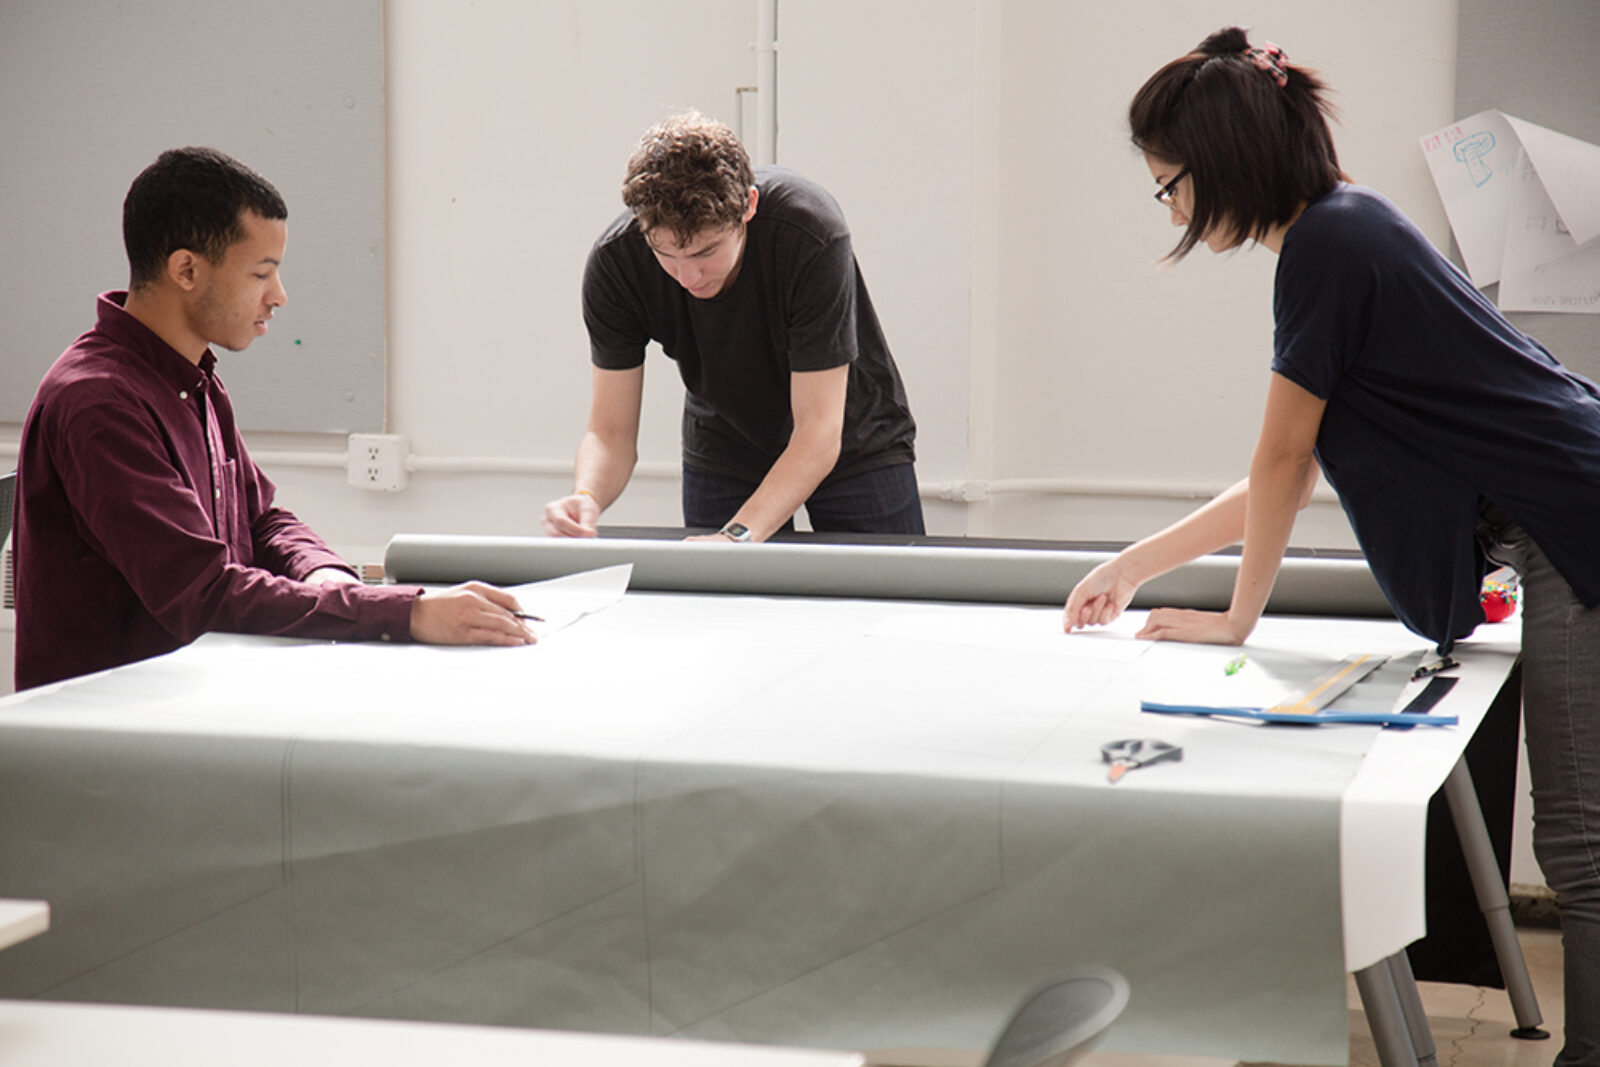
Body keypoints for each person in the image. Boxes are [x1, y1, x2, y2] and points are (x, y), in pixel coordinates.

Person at [1063, 28, 1600, 1061]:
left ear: (1219, 163)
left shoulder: (1326, 244)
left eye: (1168, 184)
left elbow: (1280, 456)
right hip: (1557, 499)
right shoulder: (1342, 231)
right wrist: (1137, 565)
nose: (1169, 207)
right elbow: (1289, 463)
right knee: (1580, 833)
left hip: (1570, 512)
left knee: (1578, 835)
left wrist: (1235, 614)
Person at [13, 147, 535, 691]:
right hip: (104, 735)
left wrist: (325, 572)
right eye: (262, 273)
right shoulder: (98, 403)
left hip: (195, 694)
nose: (279, 296)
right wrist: (404, 614)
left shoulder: (193, 379)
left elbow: (260, 520)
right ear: (186, 269)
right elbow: (202, 594)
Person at [542, 112, 921, 544]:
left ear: (748, 207)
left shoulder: (810, 232)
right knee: (723, 604)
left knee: (886, 600)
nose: (687, 276)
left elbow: (818, 431)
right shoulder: (617, 263)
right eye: (665, 253)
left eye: (706, 252)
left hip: (851, 436)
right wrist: (587, 496)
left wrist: (737, 536)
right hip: (726, 441)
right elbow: (610, 432)